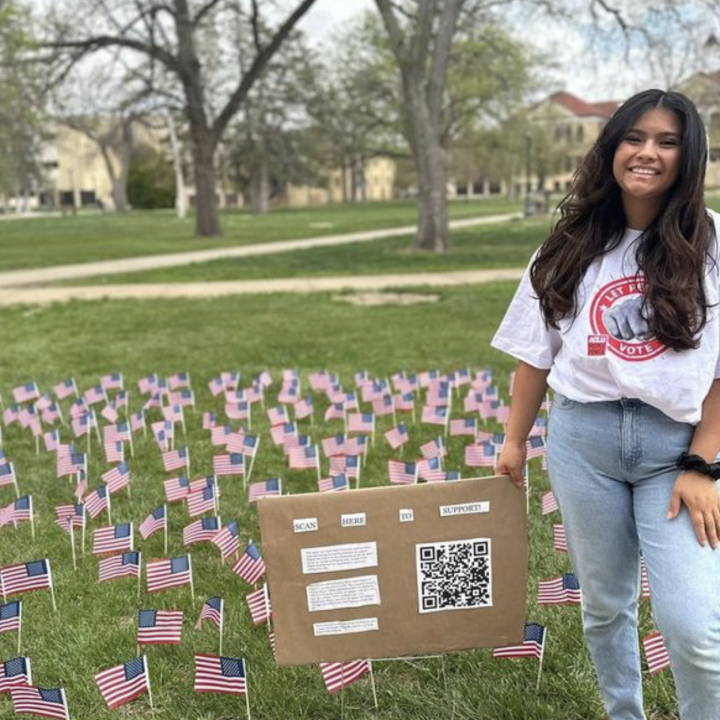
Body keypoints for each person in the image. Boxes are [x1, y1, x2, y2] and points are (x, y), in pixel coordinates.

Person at [492, 88, 720, 720]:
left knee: (696, 626)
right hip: (582, 443)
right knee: (604, 605)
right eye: (634, 137)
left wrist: (703, 466)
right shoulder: (567, 244)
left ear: (688, 156)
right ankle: (626, 714)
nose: (648, 153)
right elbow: (535, 354)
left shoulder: (712, 244)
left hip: (674, 452)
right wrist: (514, 442)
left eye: (668, 142)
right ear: (613, 146)